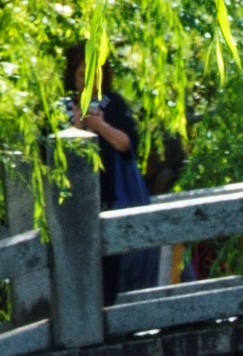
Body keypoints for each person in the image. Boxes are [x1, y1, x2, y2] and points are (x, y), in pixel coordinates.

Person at [68, 50, 162, 297]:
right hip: (72, 207)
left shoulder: (114, 104)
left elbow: (127, 144)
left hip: (114, 200)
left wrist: (99, 126)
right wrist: (76, 127)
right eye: (82, 74)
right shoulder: (61, 107)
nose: (89, 81)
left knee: (116, 274)